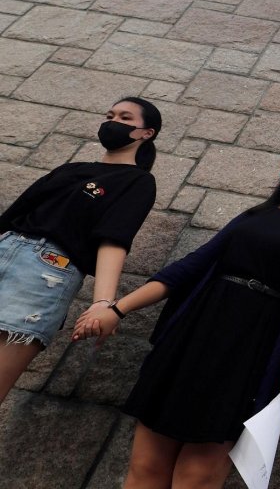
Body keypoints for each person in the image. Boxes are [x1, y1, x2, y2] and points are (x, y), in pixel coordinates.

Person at [73, 140, 280, 489]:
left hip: (251, 350)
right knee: (146, 466)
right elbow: (189, 267)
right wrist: (117, 309)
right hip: (195, 335)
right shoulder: (254, 216)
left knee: (197, 477)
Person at [0, 97, 160, 405]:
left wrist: (103, 302)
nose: (113, 121)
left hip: (45, 272)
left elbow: (113, 239)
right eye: (110, 114)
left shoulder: (137, 181)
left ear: (146, 133)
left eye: (125, 117)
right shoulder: (71, 169)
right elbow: (9, 218)